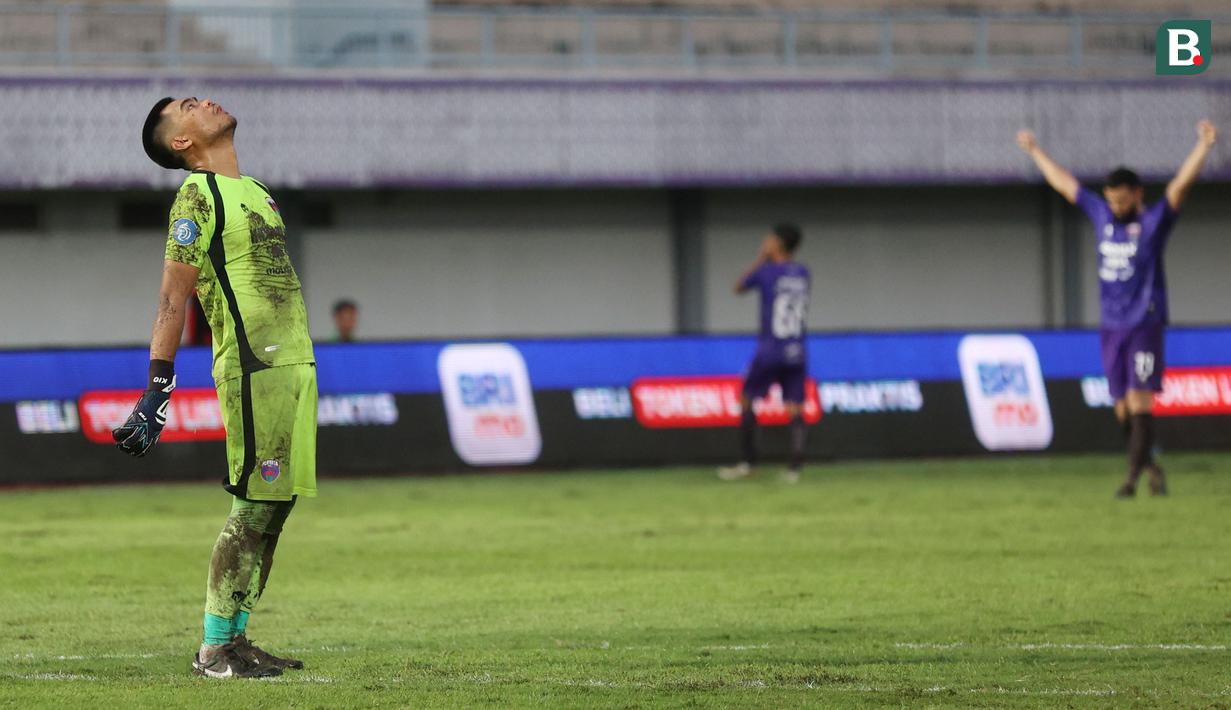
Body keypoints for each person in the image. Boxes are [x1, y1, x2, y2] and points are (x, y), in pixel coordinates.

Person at [113, 95, 319, 679]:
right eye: (188, 105)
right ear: (182, 142)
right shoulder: (197, 195)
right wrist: (157, 391)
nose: (204, 100)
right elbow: (172, 297)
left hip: (293, 366)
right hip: (253, 365)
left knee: (276, 506)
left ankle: (237, 636)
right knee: (252, 507)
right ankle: (213, 650)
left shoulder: (257, 191)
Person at [1017, 120, 1218, 498]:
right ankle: (1153, 468)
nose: (1115, 206)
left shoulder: (1153, 222)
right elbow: (1065, 184)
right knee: (1122, 410)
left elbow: (1179, 188)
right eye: (1111, 200)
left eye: (1122, 200)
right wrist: (1034, 151)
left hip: (1145, 322)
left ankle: (1129, 481)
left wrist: (1204, 147)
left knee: (1141, 401)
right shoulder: (1101, 217)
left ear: (1137, 195)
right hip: (1111, 326)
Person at [718, 223, 812, 484]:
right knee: (795, 407)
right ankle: (795, 469)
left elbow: (738, 287)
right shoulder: (803, 272)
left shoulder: (767, 272)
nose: (765, 241)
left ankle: (749, 463)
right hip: (797, 349)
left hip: (771, 349)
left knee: (747, 399)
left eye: (769, 239)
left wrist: (761, 257)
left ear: (778, 243)